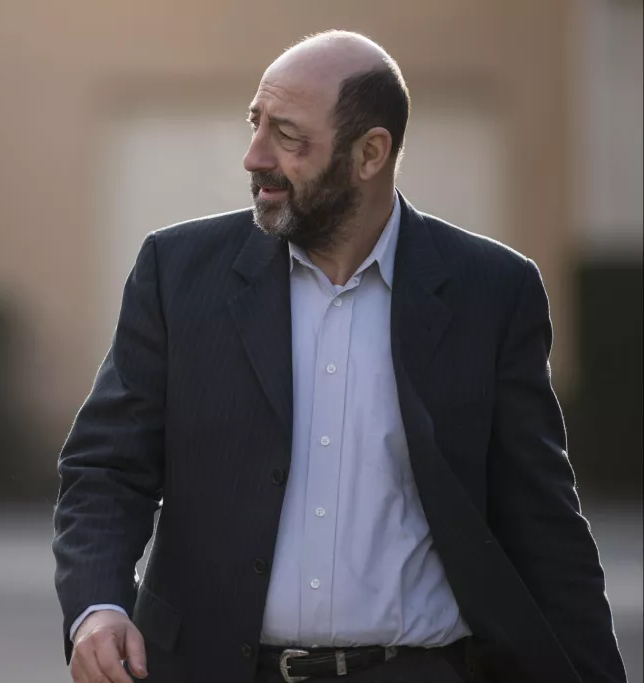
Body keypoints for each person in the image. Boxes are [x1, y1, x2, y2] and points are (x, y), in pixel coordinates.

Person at [53, 30, 625, 683]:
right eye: (255, 123)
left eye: (288, 136)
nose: (254, 155)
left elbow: (543, 522)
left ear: (370, 153)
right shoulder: (177, 272)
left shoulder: (493, 291)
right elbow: (105, 467)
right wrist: (97, 607)